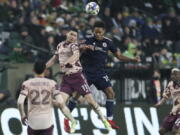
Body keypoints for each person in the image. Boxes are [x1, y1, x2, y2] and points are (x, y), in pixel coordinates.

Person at [67, 21, 141, 129]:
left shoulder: (109, 42)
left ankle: (109, 120)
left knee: (111, 93)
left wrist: (133, 59)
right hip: (86, 72)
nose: (97, 34)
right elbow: (77, 48)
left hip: (100, 73)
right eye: (95, 32)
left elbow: (119, 56)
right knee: (77, 94)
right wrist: (85, 47)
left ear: (104, 31)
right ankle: (66, 116)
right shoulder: (88, 39)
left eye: (99, 32)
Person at [46, 29, 112, 133]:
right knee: (60, 103)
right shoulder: (60, 45)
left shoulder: (74, 45)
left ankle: (104, 120)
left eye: (75, 35)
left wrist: (68, 62)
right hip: (66, 79)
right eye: (71, 34)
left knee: (91, 102)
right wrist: (43, 68)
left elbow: (76, 55)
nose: (72, 37)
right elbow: (54, 59)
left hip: (78, 77)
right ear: (67, 34)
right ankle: (73, 121)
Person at [17, 60, 77, 135]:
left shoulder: (26, 84)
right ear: (45, 71)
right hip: (47, 123)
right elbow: (61, 103)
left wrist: (22, 115)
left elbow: (20, 102)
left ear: (33, 70)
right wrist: (71, 118)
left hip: (33, 123)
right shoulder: (52, 83)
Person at [155, 68, 180, 135]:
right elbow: (165, 97)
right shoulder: (170, 84)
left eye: (175, 74)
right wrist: (160, 104)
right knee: (161, 131)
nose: (173, 76)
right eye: (172, 74)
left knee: (175, 130)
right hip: (173, 112)